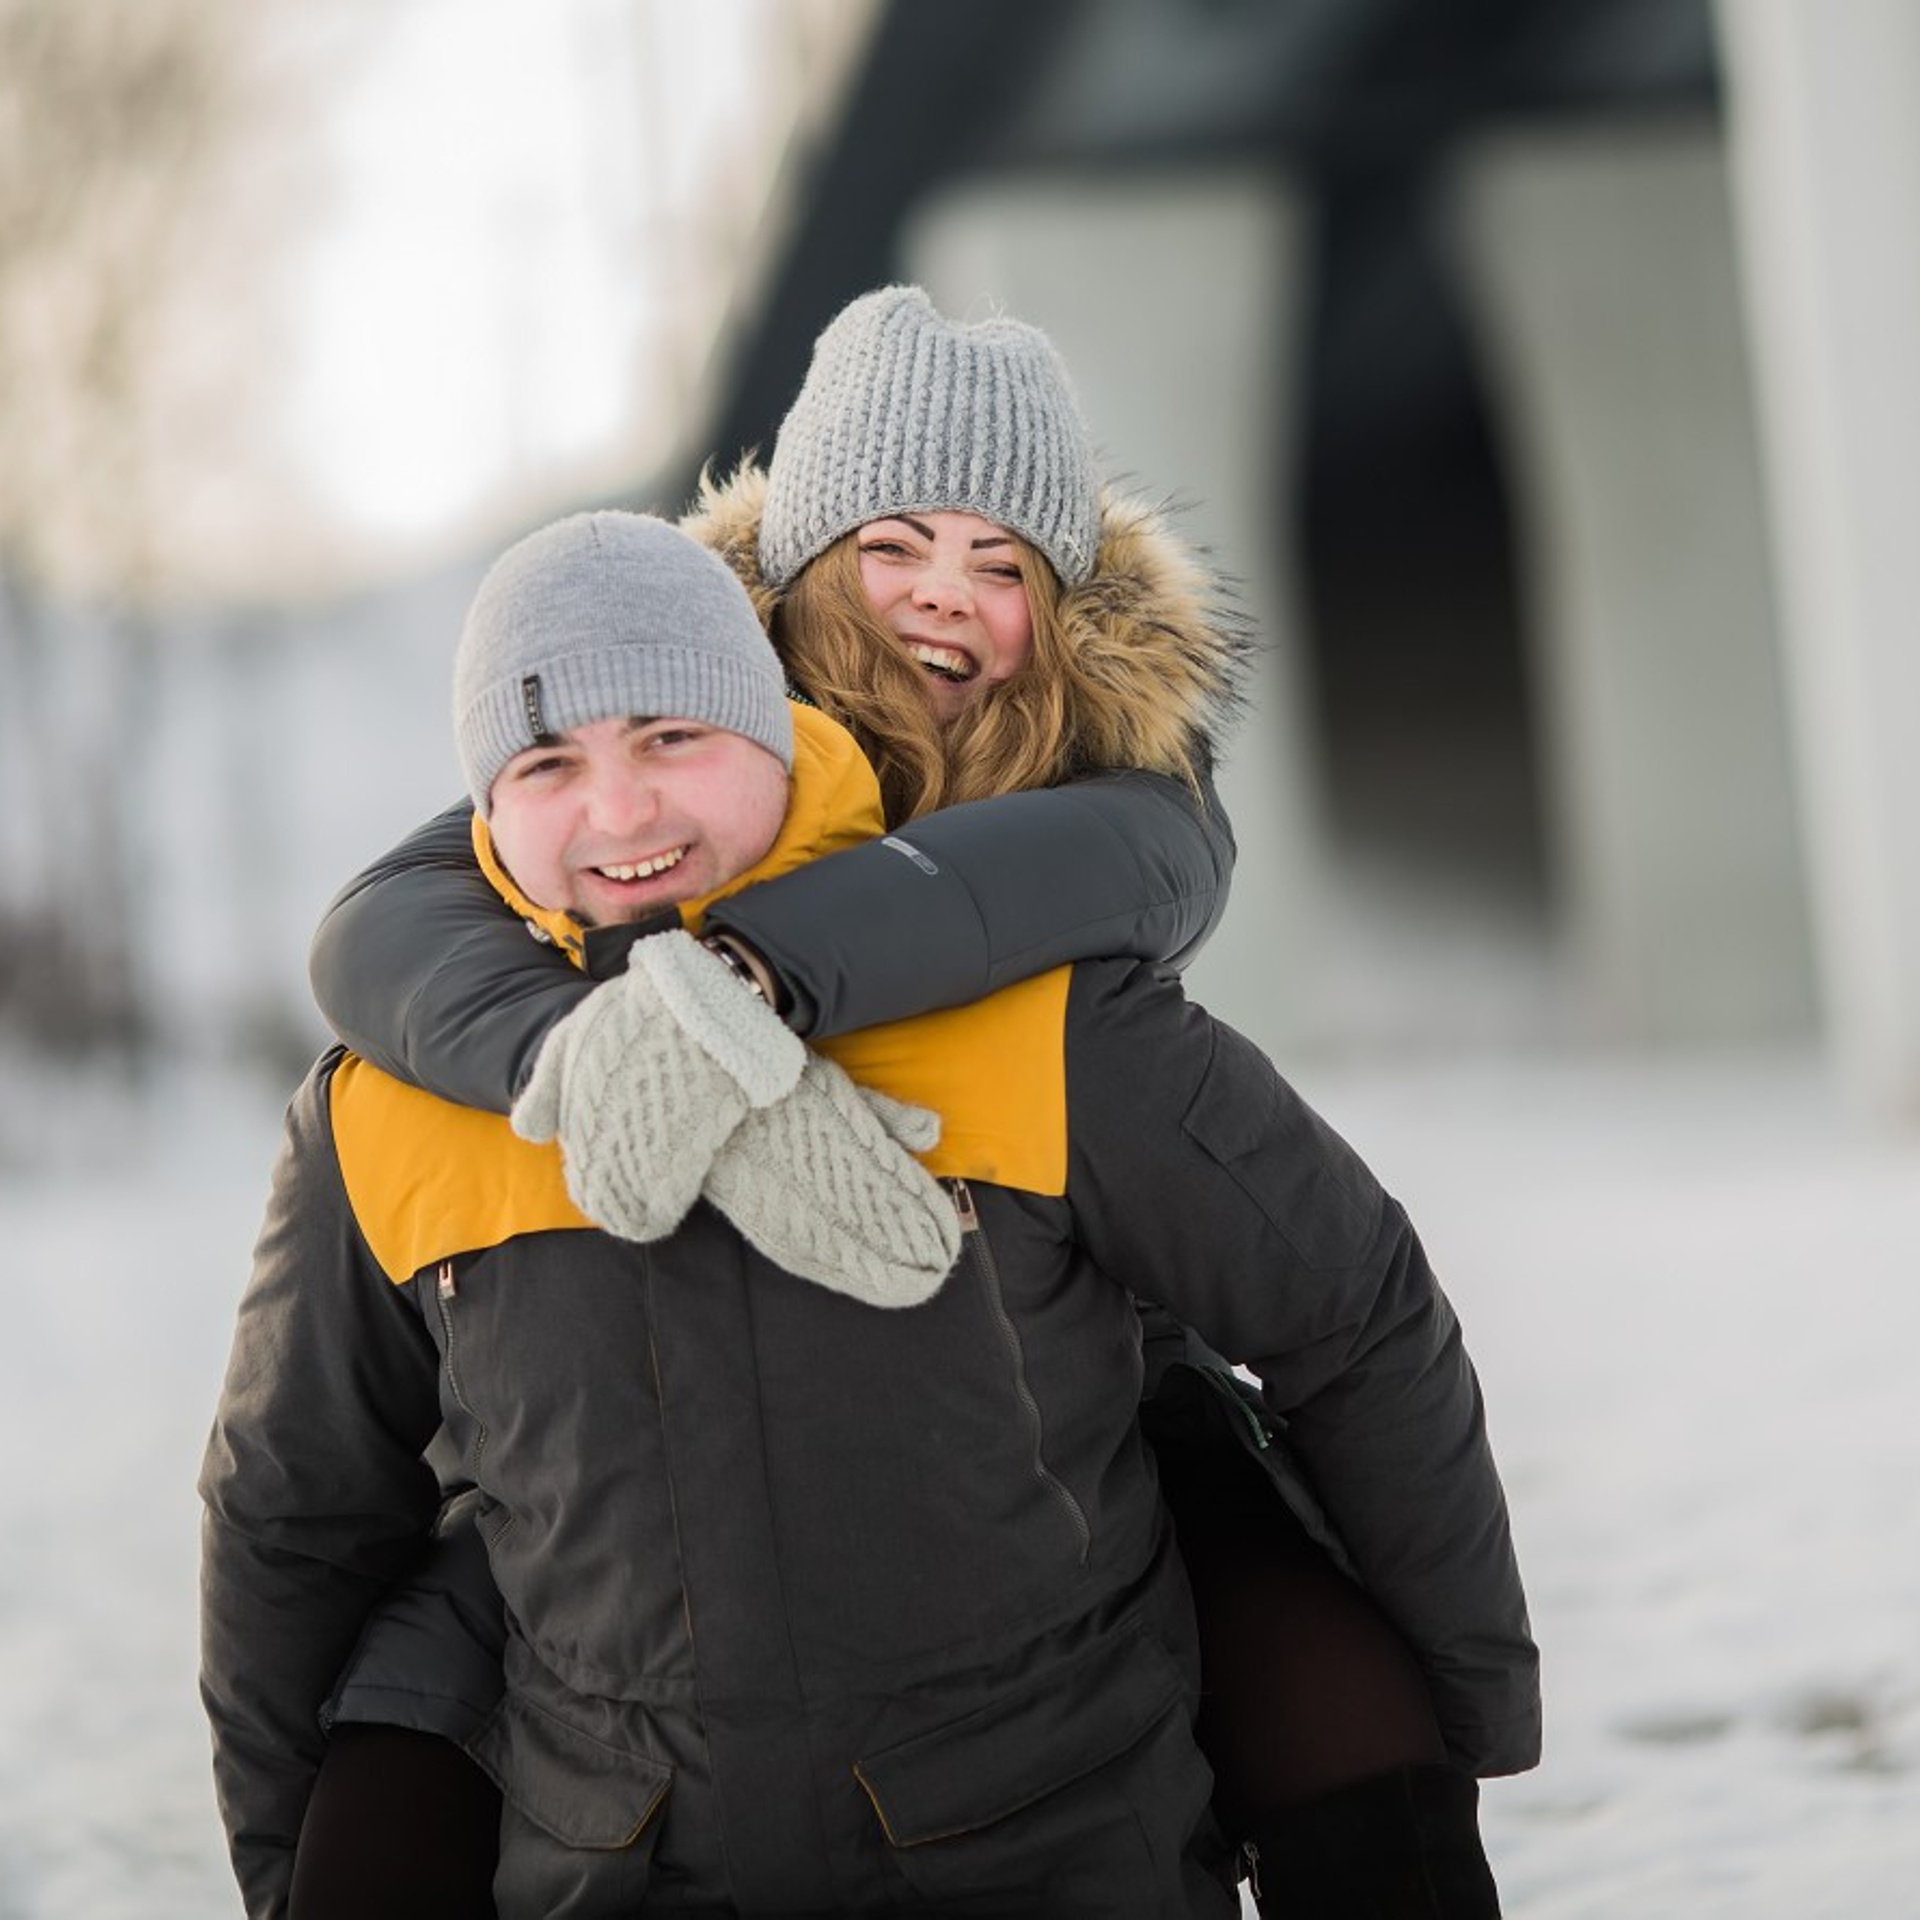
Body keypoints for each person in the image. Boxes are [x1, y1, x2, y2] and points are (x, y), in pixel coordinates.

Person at [295, 286, 1537, 1914]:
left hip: (1053, 1353)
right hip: (595, 1424)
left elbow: (1115, 895)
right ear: (796, 567)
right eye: (892, 545)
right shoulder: (655, 722)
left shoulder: (1112, 782)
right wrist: (566, 1054)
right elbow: (401, 907)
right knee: (434, 1699)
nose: (941, 602)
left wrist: (739, 984)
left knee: (1286, 1633)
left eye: (999, 562)